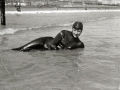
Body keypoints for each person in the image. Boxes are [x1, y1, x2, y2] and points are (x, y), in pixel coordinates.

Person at [12, 21, 84, 51]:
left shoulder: (80, 44)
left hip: (46, 50)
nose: (76, 32)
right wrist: (58, 50)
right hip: (45, 41)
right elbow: (53, 44)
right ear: (72, 29)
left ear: (81, 31)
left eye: (79, 31)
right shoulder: (64, 33)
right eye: (74, 30)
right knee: (22, 49)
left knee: (29, 52)